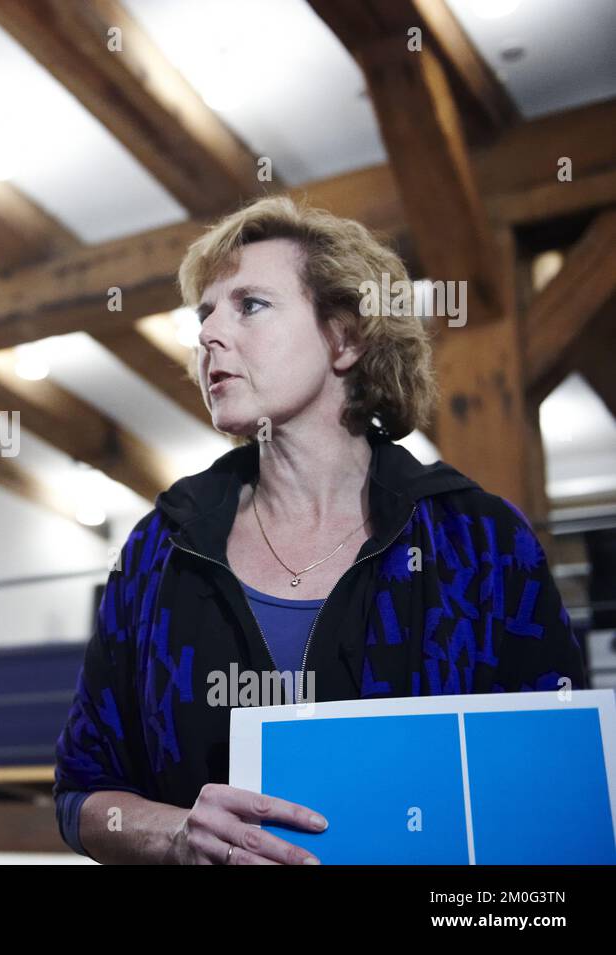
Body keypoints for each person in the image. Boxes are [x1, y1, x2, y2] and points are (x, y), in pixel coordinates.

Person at [53, 196, 586, 864]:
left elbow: (561, 794)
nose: (209, 334)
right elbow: (81, 794)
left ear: (345, 336)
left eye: (249, 304)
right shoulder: (161, 548)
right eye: (204, 313)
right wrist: (177, 833)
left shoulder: (481, 544)